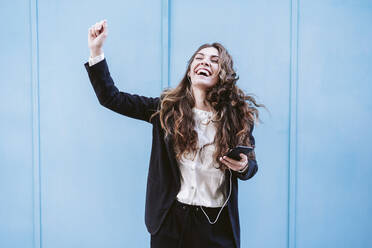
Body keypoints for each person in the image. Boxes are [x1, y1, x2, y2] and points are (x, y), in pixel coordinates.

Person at [84, 19, 264, 248]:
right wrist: (96, 50)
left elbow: (251, 167)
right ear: (190, 71)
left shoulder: (238, 117)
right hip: (172, 223)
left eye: (214, 60)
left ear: (223, 74)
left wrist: (244, 166)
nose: (205, 62)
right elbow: (111, 98)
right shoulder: (166, 110)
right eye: (199, 58)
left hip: (217, 225)